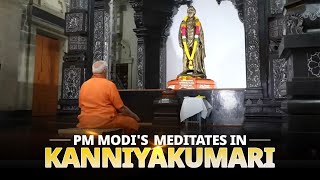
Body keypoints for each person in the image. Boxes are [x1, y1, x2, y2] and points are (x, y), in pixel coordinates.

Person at [77, 60, 140, 134]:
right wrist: (134, 116)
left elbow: (81, 106)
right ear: (105, 70)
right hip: (104, 121)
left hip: (85, 121)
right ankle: (122, 143)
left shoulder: (84, 85)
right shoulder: (109, 85)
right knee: (131, 122)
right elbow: (121, 108)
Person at [178, 5, 206, 78]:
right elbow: (180, 33)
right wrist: (180, 42)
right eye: (189, 11)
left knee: (196, 55)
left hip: (195, 41)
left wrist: (201, 42)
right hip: (186, 41)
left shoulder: (197, 22)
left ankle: (196, 70)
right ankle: (185, 70)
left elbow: (201, 33)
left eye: (191, 11)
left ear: (194, 13)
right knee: (185, 56)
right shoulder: (183, 22)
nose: (190, 12)